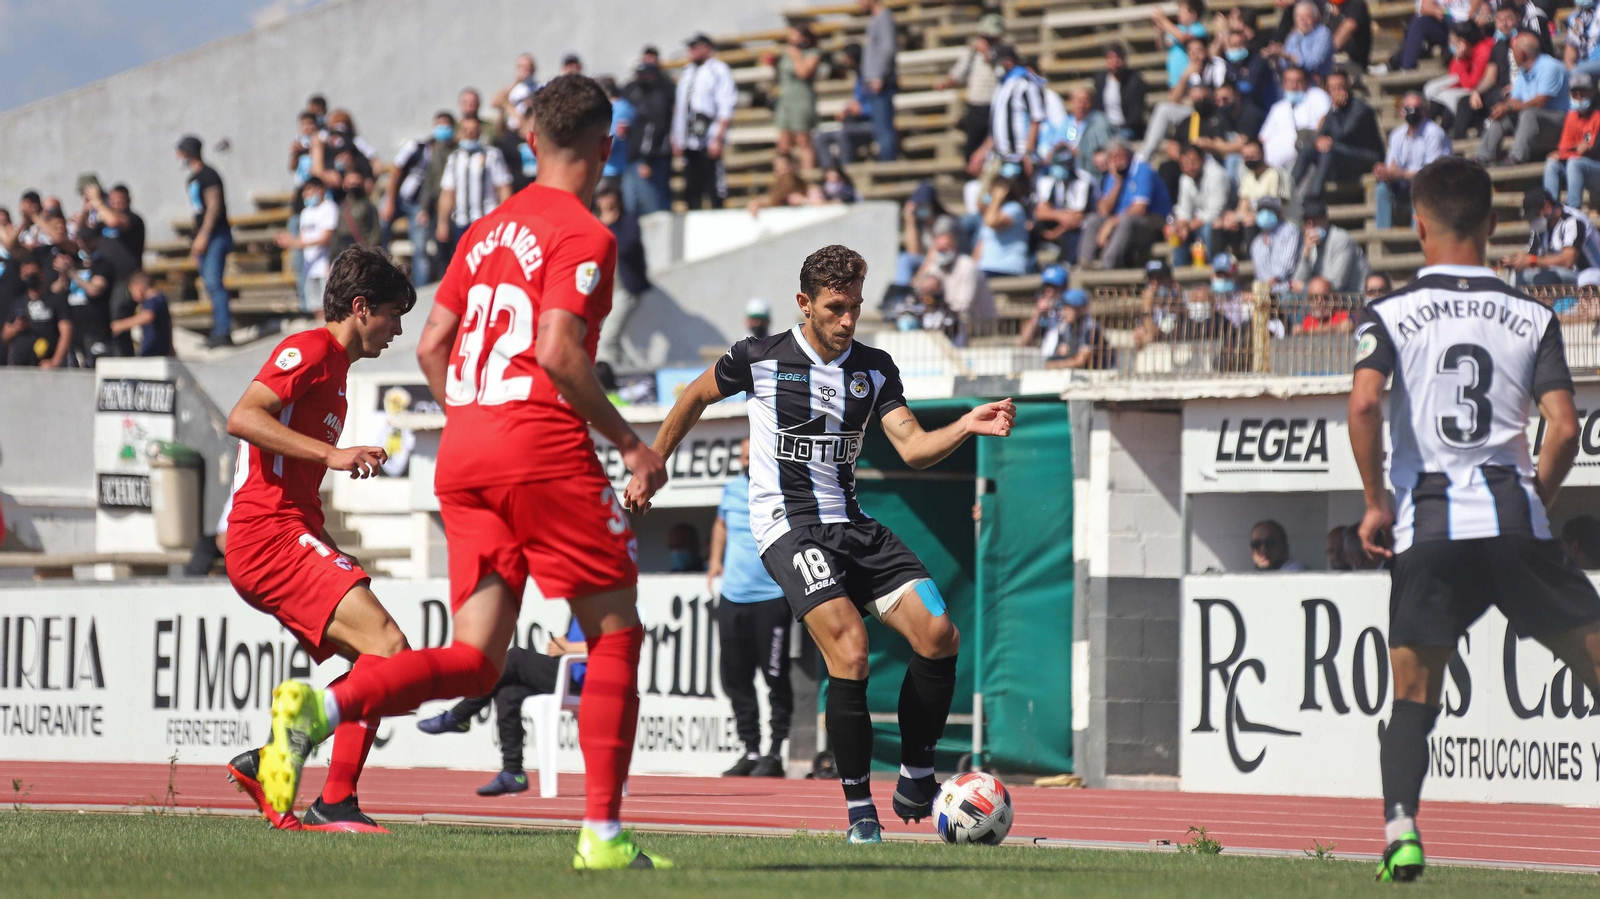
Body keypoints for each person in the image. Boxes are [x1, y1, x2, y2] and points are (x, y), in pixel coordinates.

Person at [263, 75, 676, 870]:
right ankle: (602, 834)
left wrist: (477, 414)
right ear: (607, 146)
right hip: (540, 446)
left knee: (477, 660)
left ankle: (319, 706)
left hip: (466, 451)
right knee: (614, 630)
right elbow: (557, 350)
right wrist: (631, 444)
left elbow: (430, 345)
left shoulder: (482, 231)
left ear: (530, 141)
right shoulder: (585, 232)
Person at [623, 243, 1015, 844]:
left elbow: (912, 448)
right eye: (836, 307)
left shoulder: (875, 368)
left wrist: (964, 425)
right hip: (787, 525)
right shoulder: (758, 358)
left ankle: (917, 772)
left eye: (855, 306)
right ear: (804, 303)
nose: (848, 319)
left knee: (939, 633)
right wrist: (655, 462)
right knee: (851, 649)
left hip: (852, 523)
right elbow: (696, 395)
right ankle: (861, 813)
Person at [1348, 155, 1600, 882]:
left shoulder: (1389, 313)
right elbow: (1565, 428)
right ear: (1492, 225)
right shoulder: (1532, 315)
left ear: (1418, 225)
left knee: (1412, 695)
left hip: (1428, 529)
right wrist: (1534, 500)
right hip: (1512, 521)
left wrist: (1374, 500)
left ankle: (1401, 829)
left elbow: (1363, 404)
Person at [223, 245, 417, 834]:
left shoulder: (337, 372)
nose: (397, 329)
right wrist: (334, 455)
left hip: (290, 531)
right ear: (361, 308)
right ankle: (303, 773)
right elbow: (243, 416)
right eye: (392, 314)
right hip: (267, 536)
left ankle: (329, 795)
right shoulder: (309, 349)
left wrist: (323, 529)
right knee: (390, 649)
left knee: (382, 665)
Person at [414, 624, 588, 797]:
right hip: (565, 671)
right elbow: (569, 641)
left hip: (586, 680)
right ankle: (513, 772)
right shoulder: (581, 612)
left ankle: (459, 715)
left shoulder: (603, 608)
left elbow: (603, 646)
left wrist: (568, 648)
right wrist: (558, 645)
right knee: (507, 693)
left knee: (514, 657)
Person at [711, 438, 794, 778]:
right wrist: (714, 561)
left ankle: (774, 753)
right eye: (742, 456)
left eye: (750, 455)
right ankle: (751, 750)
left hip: (772, 598)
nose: (746, 461)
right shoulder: (730, 490)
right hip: (733, 598)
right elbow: (721, 523)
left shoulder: (782, 488)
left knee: (775, 677)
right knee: (735, 678)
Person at [1475, 32, 1570, 166]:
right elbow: (1514, 100)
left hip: (1558, 122)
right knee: (1502, 115)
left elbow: (1540, 102)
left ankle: (1516, 158)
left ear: (1523, 54)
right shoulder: (1523, 72)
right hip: (1532, 121)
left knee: (1528, 114)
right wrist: (1503, 108)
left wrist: (1509, 107)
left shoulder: (1550, 67)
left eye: (1513, 52)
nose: (1512, 56)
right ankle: (1481, 158)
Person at [384, 112, 455, 286]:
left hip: (420, 207)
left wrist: (424, 209)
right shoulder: (417, 147)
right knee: (381, 226)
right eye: (439, 124)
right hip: (400, 199)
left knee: (421, 249)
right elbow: (396, 171)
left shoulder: (451, 153)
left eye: (446, 125)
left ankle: (419, 288)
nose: (443, 129)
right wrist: (389, 202)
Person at [1291, 68, 1383, 203]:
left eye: (1340, 86)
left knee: (1328, 149)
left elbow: (1342, 134)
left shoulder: (1360, 109)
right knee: (1307, 149)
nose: (1337, 91)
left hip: (1365, 156)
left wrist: (1334, 110)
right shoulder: (1334, 109)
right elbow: (1320, 134)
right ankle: (1287, 190)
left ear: (1348, 86)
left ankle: (1315, 197)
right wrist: (1318, 141)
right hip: (1340, 155)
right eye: (1332, 88)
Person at [177, 134, 234, 348]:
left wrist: (204, 235)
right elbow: (198, 212)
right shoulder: (192, 179)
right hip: (204, 236)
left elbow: (214, 206)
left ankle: (223, 331)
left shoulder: (208, 175)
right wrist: (195, 239)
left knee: (214, 283)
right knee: (209, 285)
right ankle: (217, 329)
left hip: (216, 235)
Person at [1080, 141, 1173, 270]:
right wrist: (1117, 182)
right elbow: (1103, 211)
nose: (1117, 160)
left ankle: (1108, 264)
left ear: (1128, 155)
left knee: (1126, 221)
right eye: (1113, 156)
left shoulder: (1142, 170)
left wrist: (1111, 223)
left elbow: (1139, 209)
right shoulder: (1112, 175)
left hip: (1152, 222)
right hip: (1121, 223)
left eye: (1120, 155)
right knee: (1093, 220)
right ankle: (1085, 262)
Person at [436, 115, 513, 263]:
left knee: (487, 263)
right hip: (462, 220)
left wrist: (505, 217)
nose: (470, 134)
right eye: (466, 130)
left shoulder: (492, 155)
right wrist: (442, 222)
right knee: (462, 263)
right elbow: (448, 192)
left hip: (486, 220)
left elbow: (503, 187)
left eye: (474, 130)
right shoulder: (454, 158)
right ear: (460, 133)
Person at [673, 33, 738, 210]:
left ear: (706, 48)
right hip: (689, 140)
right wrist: (677, 136)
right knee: (692, 189)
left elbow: (726, 104)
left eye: (695, 47)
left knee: (713, 187)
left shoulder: (718, 70)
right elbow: (680, 108)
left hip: (709, 139)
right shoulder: (688, 72)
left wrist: (718, 137)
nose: (691, 51)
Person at [1375, 92, 1453, 229]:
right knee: (1382, 189)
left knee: (1421, 186)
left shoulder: (1434, 133)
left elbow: (1431, 173)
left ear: (1425, 111)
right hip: (1404, 185)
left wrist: (1400, 174)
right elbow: (1392, 167)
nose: (1412, 112)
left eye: (1417, 108)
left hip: (1434, 185)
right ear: (1401, 112)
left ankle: (1416, 233)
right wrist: (1384, 172)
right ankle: (1383, 234)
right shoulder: (1396, 135)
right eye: (1408, 108)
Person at [595, 182, 649, 369]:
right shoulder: (595, 221)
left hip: (625, 290)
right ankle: (627, 371)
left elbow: (627, 246)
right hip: (603, 290)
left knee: (607, 338)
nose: (606, 201)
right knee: (603, 338)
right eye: (602, 197)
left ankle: (617, 375)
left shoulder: (627, 221)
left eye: (609, 196)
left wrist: (610, 225)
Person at [1500, 187, 1600, 286]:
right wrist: (1514, 261)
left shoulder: (1573, 220)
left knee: (1546, 277)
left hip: (1589, 275)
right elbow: (1531, 256)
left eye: (1535, 215)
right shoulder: (1541, 227)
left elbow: (1567, 261)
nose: (1533, 221)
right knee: (1520, 275)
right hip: (1561, 273)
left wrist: (1531, 261)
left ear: (1547, 207)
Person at [914, 217, 997, 332]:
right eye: (939, 249)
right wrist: (928, 261)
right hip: (949, 325)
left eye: (946, 247)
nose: (942, 250)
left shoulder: (968, 265)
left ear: (956, 243)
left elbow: (963, 307)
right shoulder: (935, 266)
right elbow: (917, 289)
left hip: (978, 327)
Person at [942, 15, 1004, 160]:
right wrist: (945, 83)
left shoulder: (1003, 52)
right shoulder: (971, 53)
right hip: (976, 107)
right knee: (971, 149)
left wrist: (987, 54)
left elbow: (1002, 73)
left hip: (995, 107)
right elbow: (958, 72)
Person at [275, 177, 338, 317]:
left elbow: (325, 238)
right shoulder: (305, 213)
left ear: (320, 190)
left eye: (309, 190)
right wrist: (286, 240)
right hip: (310, 268)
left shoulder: (329, 207)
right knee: (316, 308)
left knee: (330, 309)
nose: (305, 195)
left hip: (325, 267)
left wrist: (294, 242)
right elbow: (302, 239)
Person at [622, 57, 676, 215]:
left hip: (652, 159)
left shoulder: (659, 95)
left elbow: (655, 129)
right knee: (633, 206)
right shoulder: (637, 92)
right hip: (634, 158)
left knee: (654, 207)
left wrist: (647, 160)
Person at [1541, 71, 1600, 209]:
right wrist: (1574, 151)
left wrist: (1575, 152)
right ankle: (1551, 210)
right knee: (1552, 164)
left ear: (1592, 93)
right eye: (1574, 93)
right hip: (1580, 165)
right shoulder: (1571, 116)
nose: (1578, 96)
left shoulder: (1598, 116)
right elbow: (1564, 149)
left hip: (1595, 169)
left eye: (1582, 92)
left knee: (1574, 163)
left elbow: (1593, 151)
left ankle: (1573, 210)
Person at [816, 44, 879, 170]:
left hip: (872, 125)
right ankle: (831, 173)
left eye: (847, 58)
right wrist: (847, 109)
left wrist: (862, 110)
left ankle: (846, 172)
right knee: (820, 137)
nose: (845, 62)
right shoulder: (859, 77)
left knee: (843, 134)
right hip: (856, 123)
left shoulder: (873, 77)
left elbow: (880, 107)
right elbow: (857, 101)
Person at [3, 257, 71, 368]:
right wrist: (15, 328)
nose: (29, 277)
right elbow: (5, 335)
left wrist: (55, 361)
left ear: (41, 274)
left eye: (33, 274)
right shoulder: (18, 303)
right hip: (21, 363)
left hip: (47, 362)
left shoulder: (56, 300)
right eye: (26, 275)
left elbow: (66, 332)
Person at [1032, 151, 1099, 263]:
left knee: (1073, 234)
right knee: (1034, 226)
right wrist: (1058, 215)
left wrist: (1055, 233)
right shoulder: (1048, 181)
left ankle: (1067, 262)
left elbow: (1077, 217)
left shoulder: (1082, 182)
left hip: (1075, 226)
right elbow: (1040, 212)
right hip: (1059, 220)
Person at [1423, 22, 1492, 131]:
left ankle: (1442, 129)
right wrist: (1457, 59)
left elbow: (1471, 85)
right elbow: (1453, 79)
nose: (1450, 43)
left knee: (1445, 97)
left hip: (1479, 93)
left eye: (1452, 40)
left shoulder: (1483, 52)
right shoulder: (1465, 53)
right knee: (1432, 92)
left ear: (1462, 42)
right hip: (1465, 89)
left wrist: (1459, 62)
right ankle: (1425, 127)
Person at [1170, 144, 1231, 267]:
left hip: (1222, 222)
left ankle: (1214, 267)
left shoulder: (1217, 174)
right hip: (1197, 224)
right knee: (1178, 233)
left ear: (1203, 159)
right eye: (1185, 163)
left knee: (1209, 228)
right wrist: (1181, 226)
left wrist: (1189, 226)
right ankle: (1179, 270)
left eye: (1193, 162)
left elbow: (1215, 212)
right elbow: (1184, 211)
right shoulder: (1185, 179)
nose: (1189, 166)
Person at [1260, 67, 1331, 172]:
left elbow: (1326, 118)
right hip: (1270, 166)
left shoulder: (1316, 96)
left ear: (1306, 82)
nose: (1294, 86)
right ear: (1283, 84)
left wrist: (1318, 137)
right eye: (1289, 81)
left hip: (1302, 158)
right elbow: (1263, 137)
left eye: (1298, 81)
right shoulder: (1278, 108)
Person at [774, 23, 822, 170]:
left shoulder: (812, 53)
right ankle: (785, 175)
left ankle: (808, 176)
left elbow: (803, 73)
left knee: (803, 140)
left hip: (802, 100)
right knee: (783, 142)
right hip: (785, 101)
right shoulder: (786, 53)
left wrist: (795, 56)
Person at [988, 45, 1045, 166]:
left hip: (1021, 157)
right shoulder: (1002, 85)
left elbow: (1036, 118)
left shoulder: (1025, 83)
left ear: (1008, 61)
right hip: (1002, 156)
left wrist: (1028, 152)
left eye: (996, 63)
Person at [1294, 200, 1368, 292]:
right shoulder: (1308, 242)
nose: (1310, 225)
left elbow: (1337, 283)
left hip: (1352, 295)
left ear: (1326, 219)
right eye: (1306, 220)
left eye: (1315, 219)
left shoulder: (1341, 239)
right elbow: (1297, 282)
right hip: (1323, 295)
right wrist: (1306, 254)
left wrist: (1305, 288)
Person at [860, 0, 900, 161]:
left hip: (880, 83)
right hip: (875, 81)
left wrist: (878, 76)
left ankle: (887, 166)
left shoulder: (884, 18)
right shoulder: (877, 18)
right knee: (879, 128)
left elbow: (888, 48)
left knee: (884, 129)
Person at [973, 167, 1032, 277]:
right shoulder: (990, 212)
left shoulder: (1015, 209)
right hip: (985, 267)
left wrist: (996, 199)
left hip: (1007, 269)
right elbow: (981, 244)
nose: (989, 191)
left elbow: (992, 222)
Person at [1398, 0, 1476, 70]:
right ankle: (1408, 68)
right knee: (1419, 22)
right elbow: (1425, 6)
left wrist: (1470, 15)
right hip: (1446, 23)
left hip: (1468, 24)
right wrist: (1435, 11)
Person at [110, 271, 173, 357]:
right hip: (161, 350)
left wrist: (121, 325)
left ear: (139, 287)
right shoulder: (160, 299)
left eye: (132, 292)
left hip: (152, 349)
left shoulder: (153, 300)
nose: (132, 296)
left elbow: (147, 316)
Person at [1093, 43, 1148, 139]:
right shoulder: (1100, 79)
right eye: (1110, 58)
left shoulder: (1135, 81)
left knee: (1117, 141)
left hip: (1126, 128)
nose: (1114, 62)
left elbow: (1136, 115)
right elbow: (1097, 108)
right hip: (1105, 126)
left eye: (1117, 58)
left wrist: (1120, 127)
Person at [1152, 0, 1211, 90]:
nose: (1178, 13)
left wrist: (1163, 19)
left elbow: (1182, 37)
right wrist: (1159, 30)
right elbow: (1162, 46)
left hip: (1191, 81)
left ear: (1193, 15)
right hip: (1175, 80)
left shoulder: (1198, 28)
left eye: (1182, 11)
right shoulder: (1176, 29)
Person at [1281, 1, 1335, 80]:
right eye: (1299, 17)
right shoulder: (1294, 35)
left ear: (1315, 17)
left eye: (1307, 16)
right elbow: (1283, 64)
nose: (1303, 20)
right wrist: (1276, 57)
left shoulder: (1323, 34)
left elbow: (1313, 63)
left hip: (1318, 80)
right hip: (1297, 80)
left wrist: (1289, 57)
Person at [1331, 0, 1375, 70]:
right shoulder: (1321, 5)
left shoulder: (1356, 4)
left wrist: (1325, 52)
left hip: (1351, 63)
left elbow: (1350, 25)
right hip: (1329, 61)